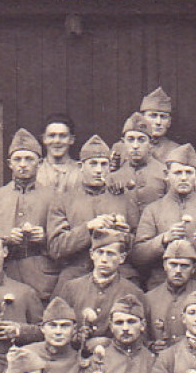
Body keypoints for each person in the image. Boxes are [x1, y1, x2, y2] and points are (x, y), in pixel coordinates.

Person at [0, 127, 71, 301]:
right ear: (10, 163)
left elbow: (65, 241)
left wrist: (45, 237)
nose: (23, 164)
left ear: (39, 163)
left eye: (29, 159)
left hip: (43, 277)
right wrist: (5, 237)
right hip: (5, 273)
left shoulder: (54, 197)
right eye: (17, 159)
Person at [130, 143, 196, 289]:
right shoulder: (153, 210)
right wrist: (164, 239)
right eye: (178, 173)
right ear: (167, 175)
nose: (184, 178)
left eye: (189, 172)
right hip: (161, 286)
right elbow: (138, 256)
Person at [51, 135, 138, 292]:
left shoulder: (123, 198)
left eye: (104, 164)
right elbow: (56, 248)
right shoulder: (64, 200)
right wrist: (88, 228)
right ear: (81, 166)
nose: (99, 170)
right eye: (93, 164)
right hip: (77, 274)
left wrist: (123, 236)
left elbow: (137, 247)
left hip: (118, 276)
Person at [58, 227, 147, 347]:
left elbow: (141, 337)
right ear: (92, 254)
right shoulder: (71, 288)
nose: (104, 259)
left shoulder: (133, 292)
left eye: (110, 254)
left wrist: (108, 343)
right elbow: (57, 326)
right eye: (100, 252)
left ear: (122, 258)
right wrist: (75, 336)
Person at [109, 113, 169, 206]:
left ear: (150, 143)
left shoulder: (164, 173)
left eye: (141, 140)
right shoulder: (115, 175)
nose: (135, 146)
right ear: (123, 142)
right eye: (130, 139)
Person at [37, 113, 81, 193]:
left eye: (63, 136)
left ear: (71, 139)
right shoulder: (35, 170)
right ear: (44, 139)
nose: (57, 140)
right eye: (52, 136)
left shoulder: (81, 171)